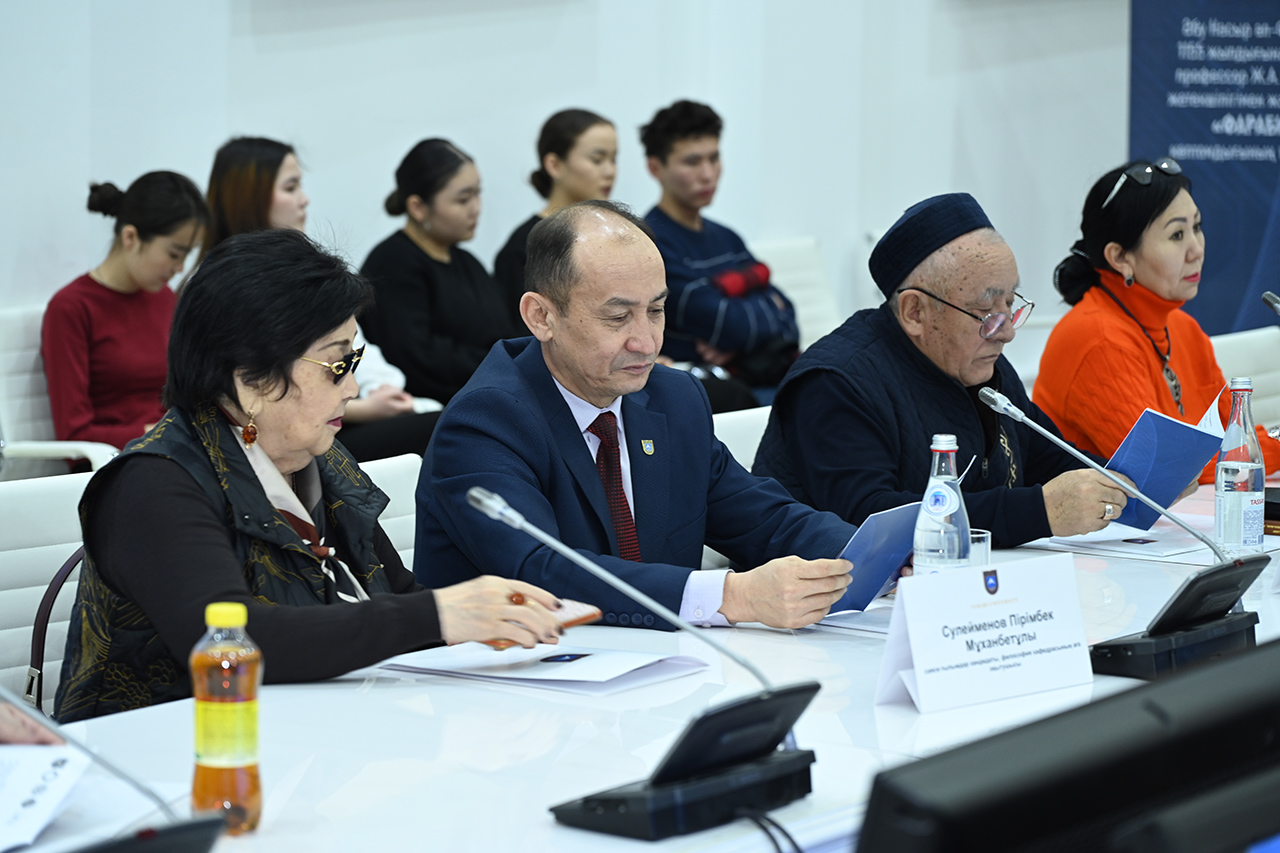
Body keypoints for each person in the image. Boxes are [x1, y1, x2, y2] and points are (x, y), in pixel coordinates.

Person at [54, 230, 563, 723]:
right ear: (250, 377)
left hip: (316, 739)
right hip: (166, 756)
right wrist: (439, 614)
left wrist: (489, 621)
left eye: (354, 360)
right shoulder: (154, 483)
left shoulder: (320, 457)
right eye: (337, 365)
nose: (354, 388)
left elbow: (397, 595)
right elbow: (234, 641)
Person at [415, 200, 858, 631]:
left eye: (656, 311)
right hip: (518, 672)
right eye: (618, 317)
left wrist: (875, 556)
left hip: (662, 666)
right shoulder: (485, 421)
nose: (646, 342)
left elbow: (765, 520)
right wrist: (733, 595)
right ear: (541, 316)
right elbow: (539, 571)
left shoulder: (674, 398)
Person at [753, 193, 1130, 548]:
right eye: (986, 312)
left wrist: (1127, 483)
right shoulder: (835, 383)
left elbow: (1049, 460)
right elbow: (870, 519)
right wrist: (1038, 512)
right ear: (915, 312)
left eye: (1010, 303)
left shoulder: (979, 361)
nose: (1007, 332)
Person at [1034, 158, 1280, 481]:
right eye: (1177, 235)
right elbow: (1167, 466)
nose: (1196, 249)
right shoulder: (1096, 339)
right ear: (1120, 257)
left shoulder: (1183, 328)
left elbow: (1233, 435)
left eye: (1196, 227)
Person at [202, 136, 440, 462]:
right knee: (442, 429)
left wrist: (382, 388)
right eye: (290, 188)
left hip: (334, 420)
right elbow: (253, 394)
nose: (304, 199)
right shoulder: (222, 288)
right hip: (283, 436)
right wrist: (366, 408)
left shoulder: (302, 269)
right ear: (249, 197)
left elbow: (355, 348)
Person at [641, 100, 799, 400]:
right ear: (655, 168)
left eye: (714, 158)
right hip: (704, 394)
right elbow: (729, 325)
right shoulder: (650, 243)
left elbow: (789, 315)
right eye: (692, 162)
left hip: (762, 377)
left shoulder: (727, 238)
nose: (707, 174)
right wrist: (763, 311)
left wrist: (736, 336)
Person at [42, 172, 209, 451]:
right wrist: (157, 433)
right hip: (116, 461)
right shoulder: (72, 308)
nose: (180, 268)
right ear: (130, 237)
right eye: (174, 254)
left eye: (186, 255)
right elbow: (74, 434)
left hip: (170, 449)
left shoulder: (164, 299)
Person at [360, 139, 522, 404]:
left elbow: (505, 332)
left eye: (478, 194)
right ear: (418, 207)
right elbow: (416, 358)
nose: (476, 208)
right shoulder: (392, 263)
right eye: (463, 199)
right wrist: (499, 366)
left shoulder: (466, 261)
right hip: (436, 406)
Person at [493, 108, 617, 317]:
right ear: (555, 165)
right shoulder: (522, 248)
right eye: (597, 159)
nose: (610, 171)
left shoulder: (616, 232)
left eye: (613, 159)